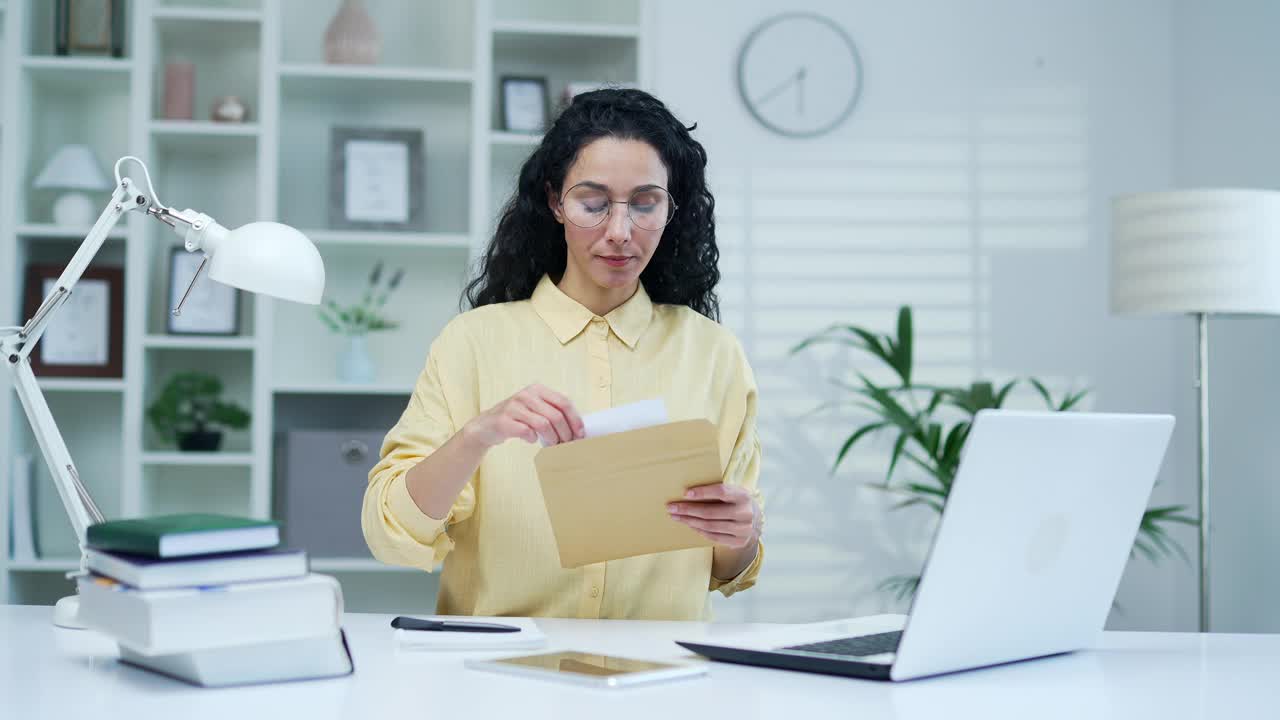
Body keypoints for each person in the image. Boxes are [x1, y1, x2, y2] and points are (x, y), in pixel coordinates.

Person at [362, 88, 763, 621]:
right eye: (593, 203)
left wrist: (741, 532)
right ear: (555, 201)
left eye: (645, 204)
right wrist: (477, 435)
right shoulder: (472, 343)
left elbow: (728, 568)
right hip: (500, 680)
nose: (620, 233)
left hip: (658, 683)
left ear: (672, 208)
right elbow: (390, 534)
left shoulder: (715, 354)